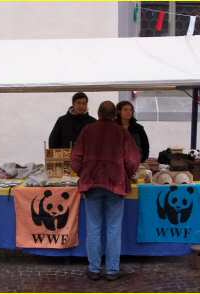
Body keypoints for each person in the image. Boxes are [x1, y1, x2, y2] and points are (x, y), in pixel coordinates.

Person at [71, 101, 140, 281]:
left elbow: (75, 158)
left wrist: (84, 172)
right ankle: (112, 270)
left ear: (99, 113)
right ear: (114, 115)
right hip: (115, 183)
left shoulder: (87, 130)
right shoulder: (122, 132)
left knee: (93, 228)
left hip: (91, 184)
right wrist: (127, 174)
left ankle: (94, 269)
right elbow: (133, 160)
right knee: (114, 228)